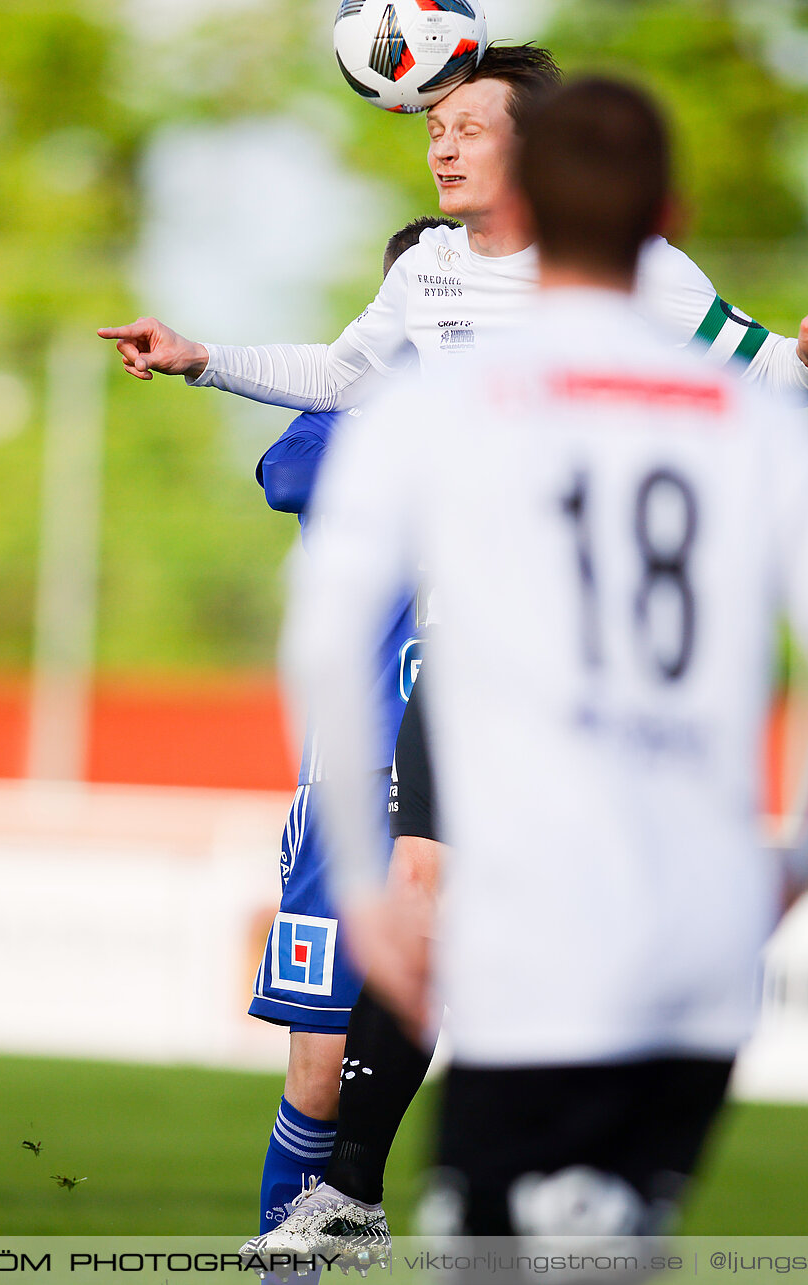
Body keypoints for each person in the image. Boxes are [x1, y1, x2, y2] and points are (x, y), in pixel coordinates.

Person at [100, 43, 808, 1251]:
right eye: (433, 126)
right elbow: (349, 375)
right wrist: (208, 361)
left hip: (601, 696)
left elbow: (760, 369)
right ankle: (355, 1188)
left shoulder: (650, 284)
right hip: (470, 671)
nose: (439, 142)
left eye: (466, 123)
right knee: (422, 894)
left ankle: (553, 1189)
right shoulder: (433, 276)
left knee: (542, 1004)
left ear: (542, 152)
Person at [239, 216, 456, 1247]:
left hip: (471, 778)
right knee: (318, 1065)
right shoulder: (351, 424)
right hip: (353, 789)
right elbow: (285, 471)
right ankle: (294, 1271)